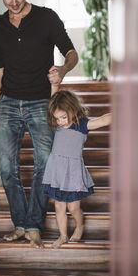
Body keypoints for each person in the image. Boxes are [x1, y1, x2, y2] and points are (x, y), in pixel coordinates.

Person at [0, 0, 78, 248]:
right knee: (7, 168)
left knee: (45, 164)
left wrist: (62, 70)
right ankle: (20, 224)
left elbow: (71, 53)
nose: (13, 2)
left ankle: (34, 225)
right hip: (8, 102)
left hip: (41, 102)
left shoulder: (46, 17)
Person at [42, 90, 112, 248]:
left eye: (64, 117)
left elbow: (102, 120)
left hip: (72, 173)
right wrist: (54, 84)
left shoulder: (81, 125)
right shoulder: (57, 126)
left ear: (73, 110)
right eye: (57, 118)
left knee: (73, 207)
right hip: (57, 172)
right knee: (58, 205)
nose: (60, 121)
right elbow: (53, 96)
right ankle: (63, 235)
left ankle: (80, 226)